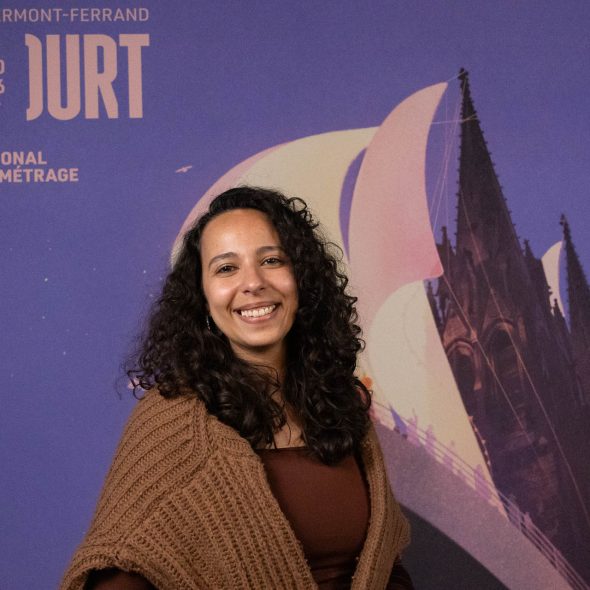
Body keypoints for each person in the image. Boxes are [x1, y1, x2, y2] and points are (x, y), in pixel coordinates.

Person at [61, 187, 413, 590]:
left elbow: (385, 564)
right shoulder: (173, 422)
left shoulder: (340, 400)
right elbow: (118, 563)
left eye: (271, 260)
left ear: (302, 279)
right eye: (227, 268)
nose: (253, 283)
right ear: (202, 295)